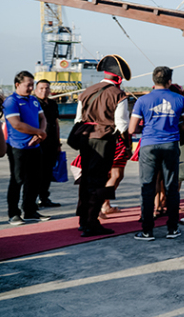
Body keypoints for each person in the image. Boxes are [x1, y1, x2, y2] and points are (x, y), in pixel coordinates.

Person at [129, 66, 184, 241]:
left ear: (153, 80)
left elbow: (131, 129)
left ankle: (147, 231)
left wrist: (148, 127)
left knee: (147, 187)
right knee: (171, 187)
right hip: (170, 145)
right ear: (169, 81)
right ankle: (172, 229)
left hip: (149, 145)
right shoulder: (179, 99)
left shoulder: (142, 100)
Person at [74, 55, 131, 237]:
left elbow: (78, 119)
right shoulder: (118, 94)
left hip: (85, 139)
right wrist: (127, 145)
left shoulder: (87, 91)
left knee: (86, 180)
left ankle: (83, 220)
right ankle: (92, 222)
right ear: (119, 77)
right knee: (99, 181)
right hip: (104, 140)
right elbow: (122, 125)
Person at [4, 71, 49, 226]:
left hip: (35, 146)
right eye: (28, 85)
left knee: (35, 179)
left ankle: (30, 210)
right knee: (17, 180)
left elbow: (42, 118)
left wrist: (40, 133)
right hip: (18, 147)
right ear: (17, 84)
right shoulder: (11, 101)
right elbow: (16, 124)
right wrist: (39, 132)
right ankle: (13, 213)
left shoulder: (34, 100)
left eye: (32, 85)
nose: (31, 88)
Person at [34, 79, 62, 208]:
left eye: (47, 88)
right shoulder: (34, 103)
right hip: (39, 142)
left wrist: (58, 143)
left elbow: (56, 123)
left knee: (48, 171)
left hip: (51, 142)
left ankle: (44, 198)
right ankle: (32, 199)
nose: (44, 91)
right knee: (36, 172)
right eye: (41, 88)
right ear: (36, 90)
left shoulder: (52, 104)